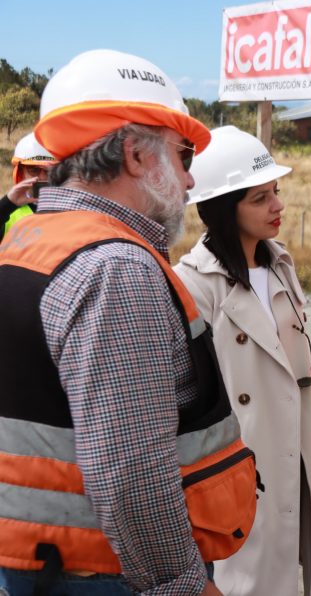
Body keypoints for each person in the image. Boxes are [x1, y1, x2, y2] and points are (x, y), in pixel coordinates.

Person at [0, 50, 258, 595]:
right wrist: (181, 584)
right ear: (136, 154)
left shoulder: (27, 240)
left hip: (36, 559)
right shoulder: (116, 267)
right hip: (104, 573)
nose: (190, 179)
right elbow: (130, 473)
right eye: (184, 154)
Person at [175, 125, 311, 595]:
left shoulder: (280, 265)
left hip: (290, 456)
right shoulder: (192, 284)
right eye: (259, 199)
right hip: (233, 472)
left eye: (275, 192)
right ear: (222, 208)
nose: (278, 206)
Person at [0, 131, 58, 242]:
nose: (42, 178)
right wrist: (7, 204)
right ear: (20, 173)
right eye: (34, 170)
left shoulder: (75, 211)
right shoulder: (7, 212)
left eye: (49, 171)